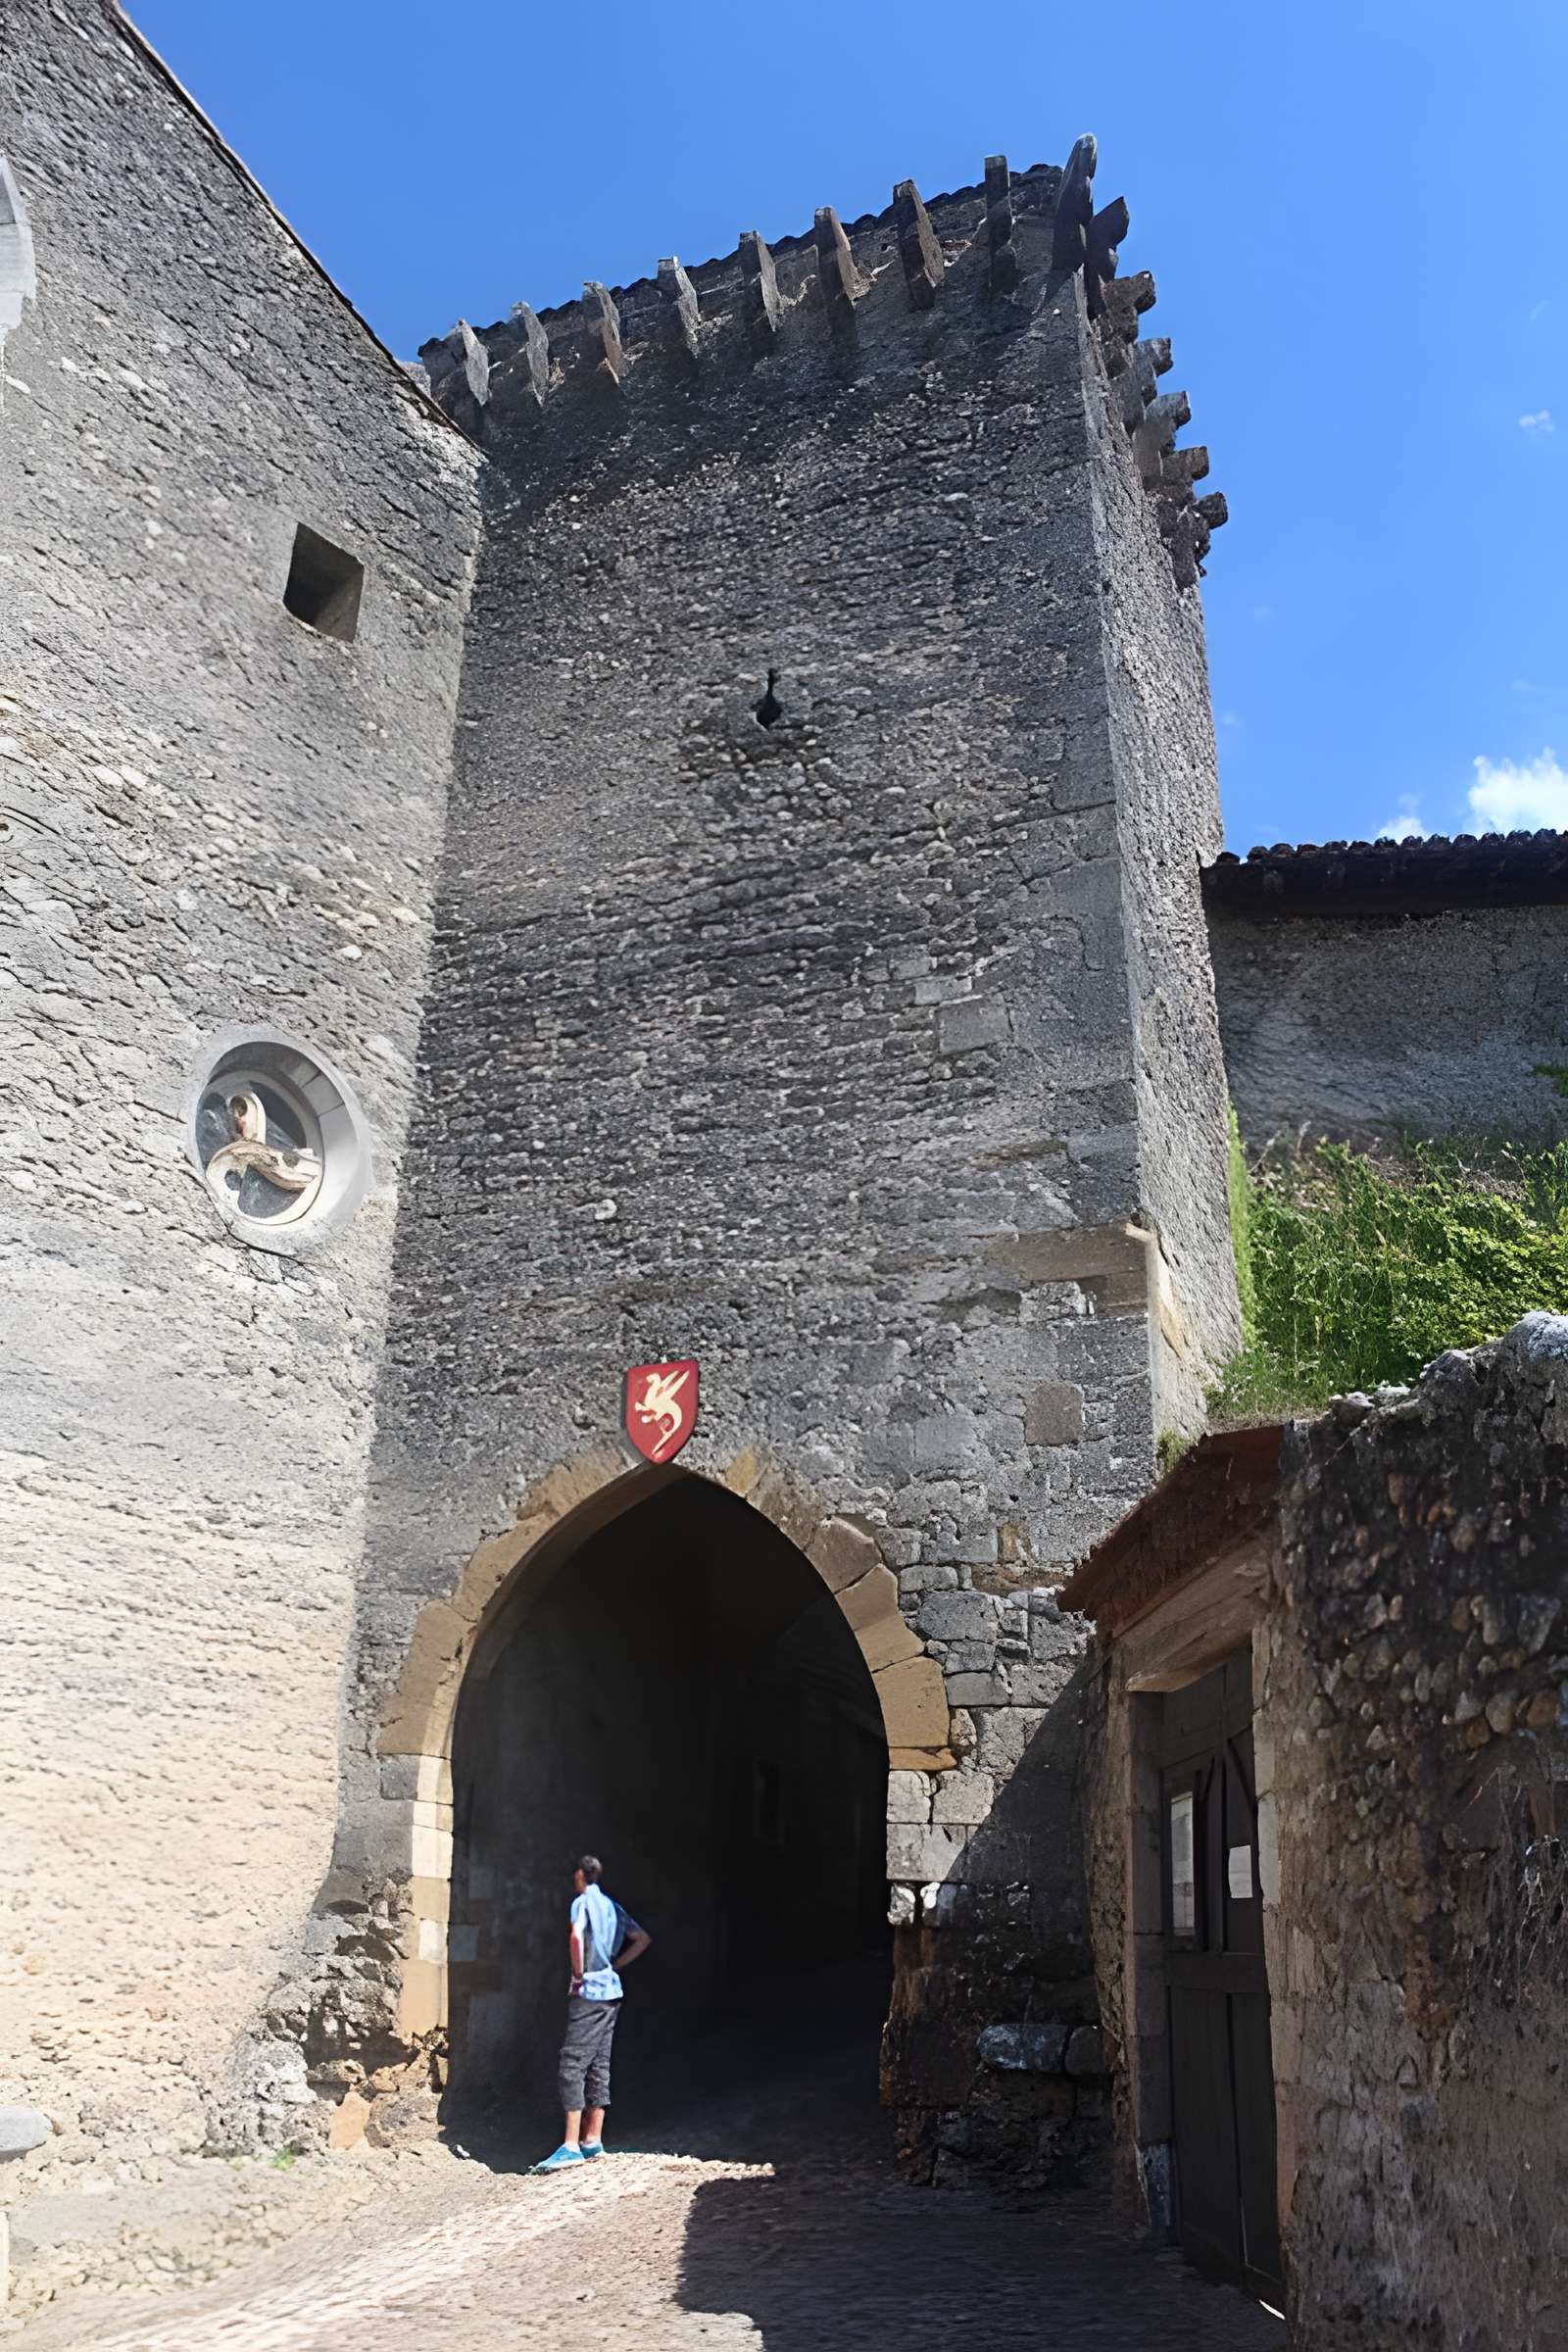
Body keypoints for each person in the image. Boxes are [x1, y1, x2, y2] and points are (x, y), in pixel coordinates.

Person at [533, 1853, 651, 2173]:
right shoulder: (613, 1906)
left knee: (572, 2064)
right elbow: (641, 1938)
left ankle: (570, 2144)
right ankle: (593, 2140)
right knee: (599, 2062)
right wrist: (616, 1966)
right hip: (613, 1992)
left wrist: (578, 1975)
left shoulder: (581, 1902)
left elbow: (575, 1936)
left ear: (580, 1875)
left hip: (590, 1993)